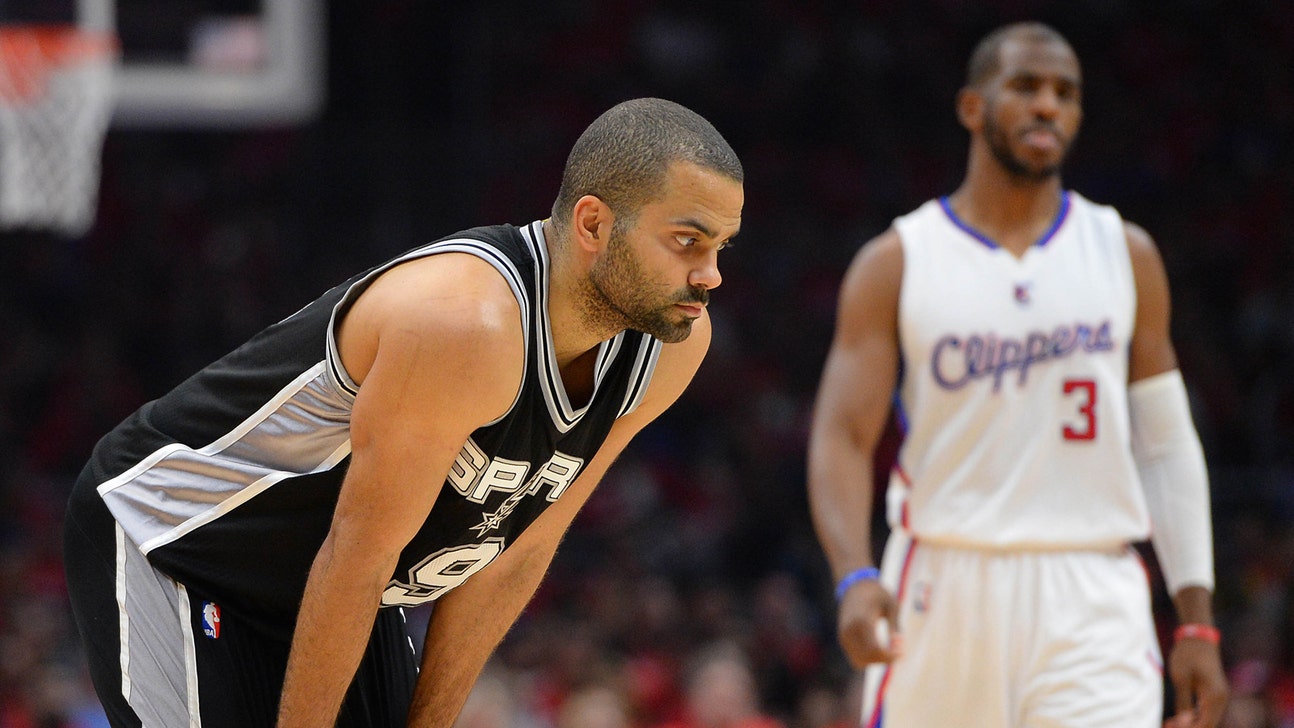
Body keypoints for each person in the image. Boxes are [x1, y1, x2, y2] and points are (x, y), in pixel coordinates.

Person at [62, 97, 744, 728]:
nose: (710, 275)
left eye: (722, 247)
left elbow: (515, 554)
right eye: (688, 241)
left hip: (329, 583)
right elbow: (357, 556)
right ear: (594, 223)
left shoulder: (668, 349)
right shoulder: (467, 324)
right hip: (180, 540)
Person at [806, 22, 1228, 728]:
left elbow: (1167, 443)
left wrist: (1197, 620)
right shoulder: (899, 260)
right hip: (945, 577)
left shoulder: (1126, 253)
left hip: (1092, 586)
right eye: (1026, 87)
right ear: (973, 107)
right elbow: (841, 437)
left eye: (1065, 93)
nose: (1047, 106)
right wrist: (854, 573)